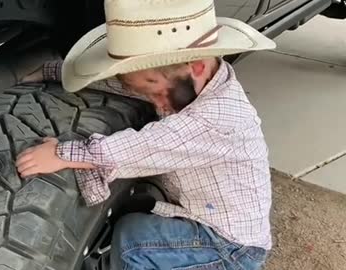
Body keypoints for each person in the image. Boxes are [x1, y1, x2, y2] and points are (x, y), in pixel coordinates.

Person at [16, 0, 277, 269]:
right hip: (206, 220)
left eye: (155, 92)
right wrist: (51, 72)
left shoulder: (215, 120)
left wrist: (61, 153)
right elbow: (117, 84)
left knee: (135, 242)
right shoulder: (189, 79)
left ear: (197, 66)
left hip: (229, 248)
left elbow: (140, 147)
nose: (157, 103)